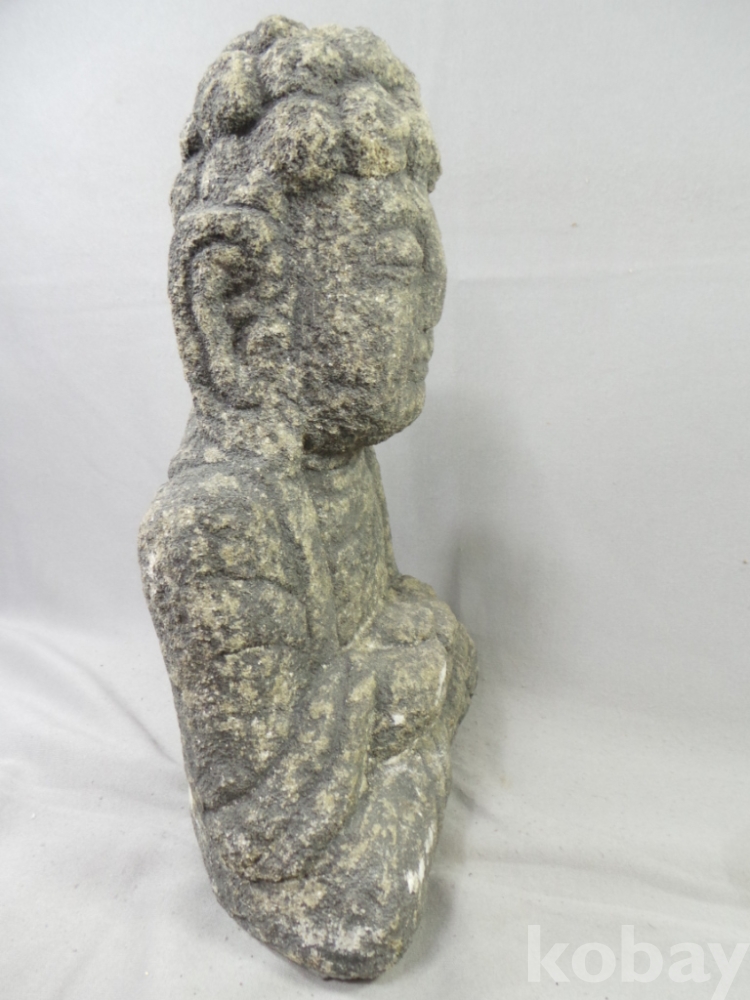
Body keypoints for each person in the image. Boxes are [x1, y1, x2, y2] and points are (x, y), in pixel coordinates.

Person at [139, 16, 477, 979]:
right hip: (311, 854)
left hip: (350, 776)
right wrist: (414, 686)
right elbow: (275, 841)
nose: (431, 309)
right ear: (236, 297)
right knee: (364, 902)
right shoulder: (216, 527)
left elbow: (406, 625)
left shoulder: (338, 465)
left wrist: (397, 676)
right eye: (396, 269)